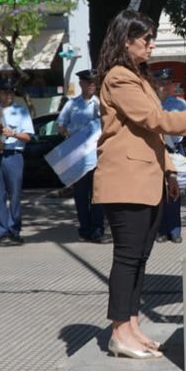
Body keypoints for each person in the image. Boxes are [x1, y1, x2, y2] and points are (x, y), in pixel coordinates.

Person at [92, 10, 186, 359]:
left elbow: (149, 137)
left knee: (139, 258)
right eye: (146, 39)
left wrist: (168, 171)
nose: (152, 45)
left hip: (146, 179)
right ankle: (119, 332)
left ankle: (131, 326)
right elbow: (156, 120)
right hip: (125, 181)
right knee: (127, 258)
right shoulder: (119, 77)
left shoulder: (137, 76)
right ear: (126, 41)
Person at [0, 79, 34, 246]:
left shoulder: (21, 112)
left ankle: (14, 229)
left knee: (15, 194)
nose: (8, 95)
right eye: (5, 92)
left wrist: (13, 134)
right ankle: (1, 230)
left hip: (13, 155)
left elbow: (28, 136)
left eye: (11, 92)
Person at [57, 69, 107, 243]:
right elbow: (60, 125)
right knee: (81, 194)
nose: (92, 85)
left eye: (94, 83)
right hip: (78, 155)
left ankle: (97, 229)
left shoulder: (100, 103)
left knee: (98, 193)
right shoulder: (72, 104)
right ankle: (85, 228)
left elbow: (108, 125)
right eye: (89, 82)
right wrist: (69, 133)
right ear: (81, 84)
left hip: (96, 155)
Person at [154, 68, 186, 244]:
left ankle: (175, 230)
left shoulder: (180, 104)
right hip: (158, 150)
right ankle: (160, 230)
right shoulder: (151, 104)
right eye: (161, 83)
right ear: (156, 85)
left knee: (175, 191)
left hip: (175, 150)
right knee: (159, 192)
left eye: (168, 83)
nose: (165, 86)